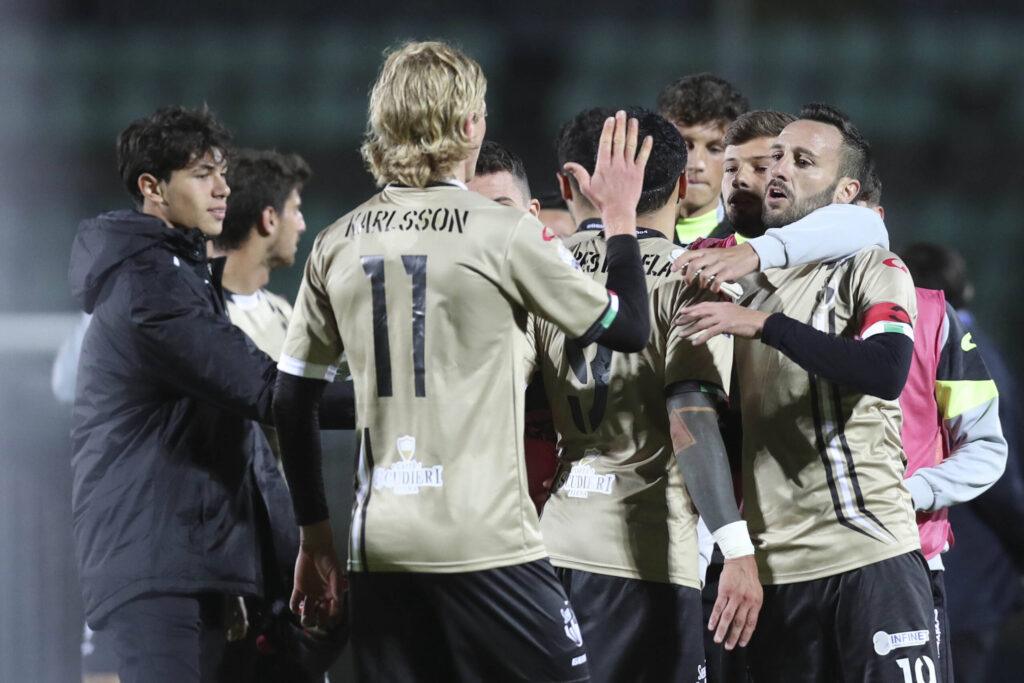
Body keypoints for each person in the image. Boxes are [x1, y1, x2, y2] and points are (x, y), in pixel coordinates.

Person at [271, 41, 654, 682]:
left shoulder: (336, 241)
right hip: (486, 541)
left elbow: (292, 401)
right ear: (473, 125)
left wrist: (315, 537)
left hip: (381, 543)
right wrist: (618, 218)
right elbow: (630, 327)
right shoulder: (503, 232)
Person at [68, 105, 352, 683]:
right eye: (202, 174)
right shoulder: (150, 287)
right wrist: (399, 400)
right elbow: (269, 392)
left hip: (191, 560)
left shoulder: (181, 276)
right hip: (156, 566)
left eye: (222, 172)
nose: (223, 188)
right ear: (152, 187)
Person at [678, 104, 939, 682]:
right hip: (770, 574)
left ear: (846, 190)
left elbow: (886, 369)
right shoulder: (738, 284)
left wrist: (766, 327)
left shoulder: (873, 265)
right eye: (776, 158)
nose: (779, 171)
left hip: (868, 557)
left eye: (801, 161)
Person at [534, 104, 761, 683]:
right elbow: (691, 416)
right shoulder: (695, 278)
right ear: (683, 186)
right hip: (649, 556)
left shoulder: (540, 273)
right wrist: (737, 548)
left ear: (575, 183)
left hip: (553, 545)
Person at [899, 242, 1024, 682]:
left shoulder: (963, 354)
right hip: (959, 580)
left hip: (958, 578)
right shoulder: (979, 352)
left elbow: (997, 469)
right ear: (965, 288)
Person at [656, 73, 749, 244]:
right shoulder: (624, 232)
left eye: (714, 149)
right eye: (685, 145)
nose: (697, 163)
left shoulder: (755, 243)